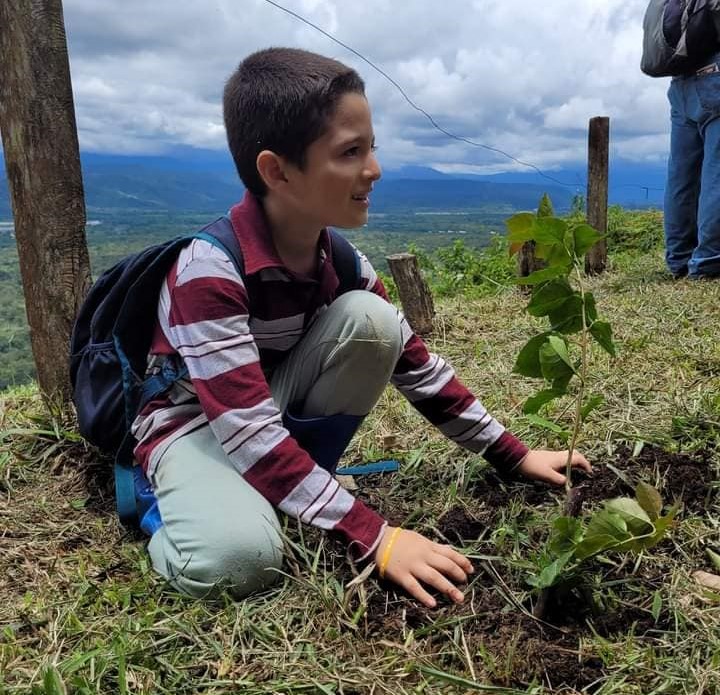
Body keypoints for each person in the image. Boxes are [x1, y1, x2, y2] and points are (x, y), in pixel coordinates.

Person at [130, 47, 591, 608]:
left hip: (261, 414)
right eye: (350, 152)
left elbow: (417, 366)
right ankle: (170, 504)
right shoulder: (210, 271)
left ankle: (288, 487)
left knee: (373, 322)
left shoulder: (340, 263)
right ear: (276, 171)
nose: (373, 169)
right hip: (195, 425)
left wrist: (514, 455)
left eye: (371, 147)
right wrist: (376, 536)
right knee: (238, 562)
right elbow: (246, 432)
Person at [649, 4, 720, 278]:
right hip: (715, 77)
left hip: (681, 84)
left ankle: (678, 260)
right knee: (715, 175)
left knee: (681, 177)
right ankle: (708, 263)